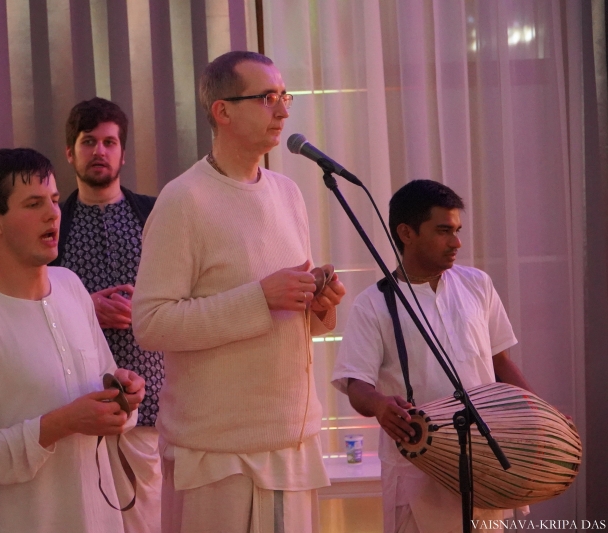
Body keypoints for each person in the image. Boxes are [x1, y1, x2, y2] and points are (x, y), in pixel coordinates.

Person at [133, 51, 346, 533]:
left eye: (285, 96)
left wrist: (318, 306)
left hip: (291, 441)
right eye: (267, 98)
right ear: (222, 111)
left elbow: (289, 316)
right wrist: (259, 298)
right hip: (217, 452)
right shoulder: (184, 199)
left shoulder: (288, 193)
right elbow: (151, 323)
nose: (283, 110)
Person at [0, 147, 146, 533]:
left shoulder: (71, 287)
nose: (52, 214)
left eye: (55, 200)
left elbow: (105, 389)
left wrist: (123, 395)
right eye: (33, 204)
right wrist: (60, 424)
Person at [332, 179, 533, 533]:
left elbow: (500, 363)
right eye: (443, 231)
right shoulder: (374, 304)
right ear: (406, 233)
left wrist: (538, 415)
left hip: (483, 466)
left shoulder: (477, 285)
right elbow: (356, 383)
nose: (456, 242)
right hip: (417, 474)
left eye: (457, 231)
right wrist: (380, 405)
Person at [51, 96, 163, 533]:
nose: (99, 151)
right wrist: (87, 308)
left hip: (153, 407)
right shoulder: (53, 225)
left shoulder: (153, 215)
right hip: (80, 408)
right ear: (70, 152)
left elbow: (185, 292)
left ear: (122, 152)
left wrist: (146, 307)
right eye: (88, 142)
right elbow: (32, 305)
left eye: (109, 142)